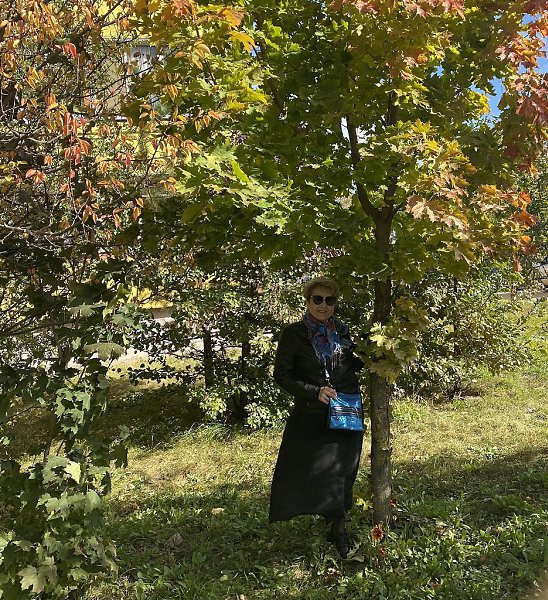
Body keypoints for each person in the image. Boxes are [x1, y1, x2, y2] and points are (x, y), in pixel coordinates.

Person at [269, 276, 365, 558]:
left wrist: (370, 351)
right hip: (313, 414)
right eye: (318, 299)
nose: (323, 305)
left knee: (344, 470)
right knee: (316, 473)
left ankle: (338, 528)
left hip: (346, 411)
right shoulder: (294, 334)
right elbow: (282, 375)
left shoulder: (341, 330)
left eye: (329, 300)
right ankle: (331, 521)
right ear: (308, 301)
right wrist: (314, 392)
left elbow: (352, 365)